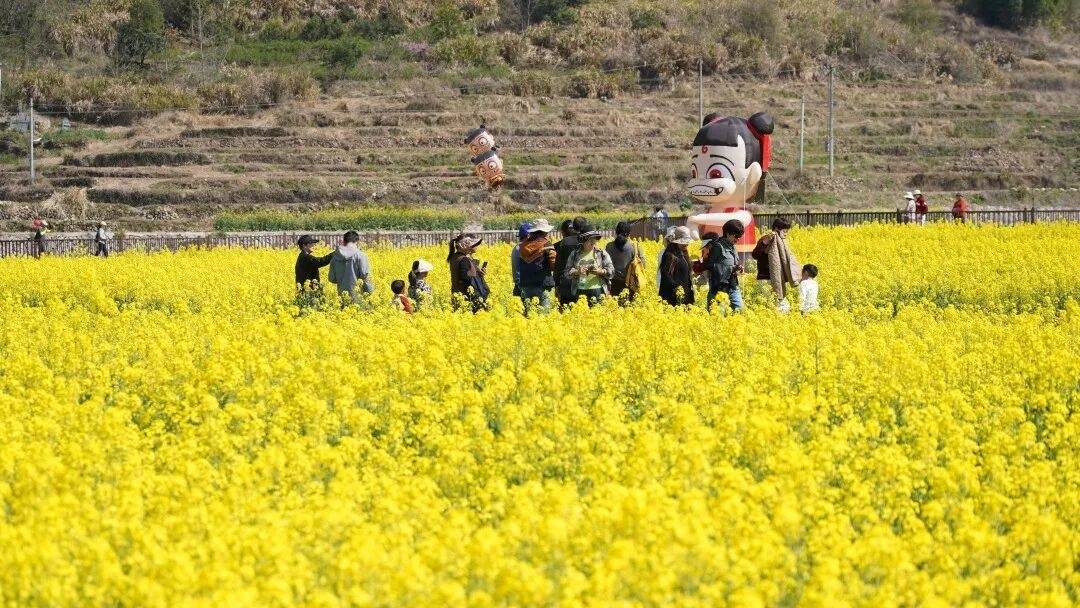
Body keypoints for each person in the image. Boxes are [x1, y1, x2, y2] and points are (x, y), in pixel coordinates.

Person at [754, 217, 801, 312]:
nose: (786, 234)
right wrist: (764, 243)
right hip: (766, 278)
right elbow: (755, 255)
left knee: (779, 306)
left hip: (778, 279)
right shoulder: (766, 239)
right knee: (773, 307)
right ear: (776, 229)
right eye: (784, 231)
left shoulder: (782, 242)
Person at [563, 226, 615, 307]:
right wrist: (577, 272)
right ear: (583, 240)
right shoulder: (574, 254)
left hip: (597, 290)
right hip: (579, 290)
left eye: (594, 239)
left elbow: (612, 271)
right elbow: (566, 273)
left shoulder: (601, 253)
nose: (593, 242)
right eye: (590, 239)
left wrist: (600, 271)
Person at [517, 219, 558, 313]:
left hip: (526, 283)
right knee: (543, 312)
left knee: (530, 312)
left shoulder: (523, 245)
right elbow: (553, 264)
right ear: (544, 232)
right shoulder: (546, 244)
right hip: (542, 282)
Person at [702, 221, 745, 312]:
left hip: (732, 284)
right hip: (719, 287)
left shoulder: (733, 246)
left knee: (740, 310)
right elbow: (709, 265)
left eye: (739, 237)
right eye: (736, 236)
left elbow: (731, 263)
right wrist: (731, 268)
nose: (738, 239)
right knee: (717, 314)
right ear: (728, 233)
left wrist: (738, 267)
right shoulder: (718, 246)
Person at [328, 230, 374, 306]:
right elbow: (365, 276)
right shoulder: (360, 256)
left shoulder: (335, 257)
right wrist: (370, 293)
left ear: (344, 241)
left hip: (342, 296)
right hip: (359, 297)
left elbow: (331, 278)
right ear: (356, 241)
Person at [448, 234, 489, 313]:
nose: (476, 246)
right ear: (465, 246)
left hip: (458, 297)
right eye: (474, 245)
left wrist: (477, 272)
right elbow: (466, 279)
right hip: (468, 300)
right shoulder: (464, 259)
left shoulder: (455, 257)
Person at [606, 221, 646, 301]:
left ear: (616, 232)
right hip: (631, 284)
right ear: (629, 233)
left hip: (613, 283)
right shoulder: (635, 247)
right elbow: (643, 265)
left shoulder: (609, 246)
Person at [659, 226, 695, 306]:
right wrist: (677, 288)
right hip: (673, 298)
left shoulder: (683, 253)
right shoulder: (669, 255)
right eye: (683, 242)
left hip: (684, 297)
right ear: (676, 242)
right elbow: (666, 276)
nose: (686, 244)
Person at [554, 217, 586, 307]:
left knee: (565, 309)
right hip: (584, 281)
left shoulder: (564, 242)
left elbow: (558, 265)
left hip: (566, 281)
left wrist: (557, 284)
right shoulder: (588, 241)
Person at [510, 221, 532, 297]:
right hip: (523, 286)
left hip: (519, 285)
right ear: (528, 235)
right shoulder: (522, 248)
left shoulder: (516, 247)